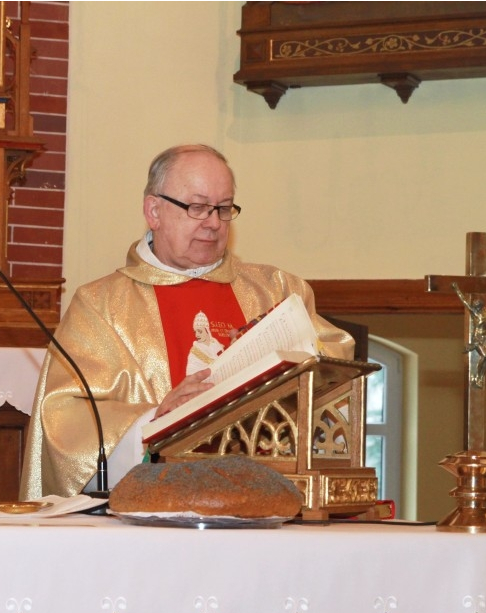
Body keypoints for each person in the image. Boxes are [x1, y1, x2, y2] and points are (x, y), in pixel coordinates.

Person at [20, 144, 354, 499]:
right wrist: (155, 421)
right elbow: (62, 417)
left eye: (224, 209)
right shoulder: (101, 305)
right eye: (197, 207)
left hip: (266, 502)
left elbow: (336, 368)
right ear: (154, 211)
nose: (213, 223)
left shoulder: (278, 291)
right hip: (152, 512)